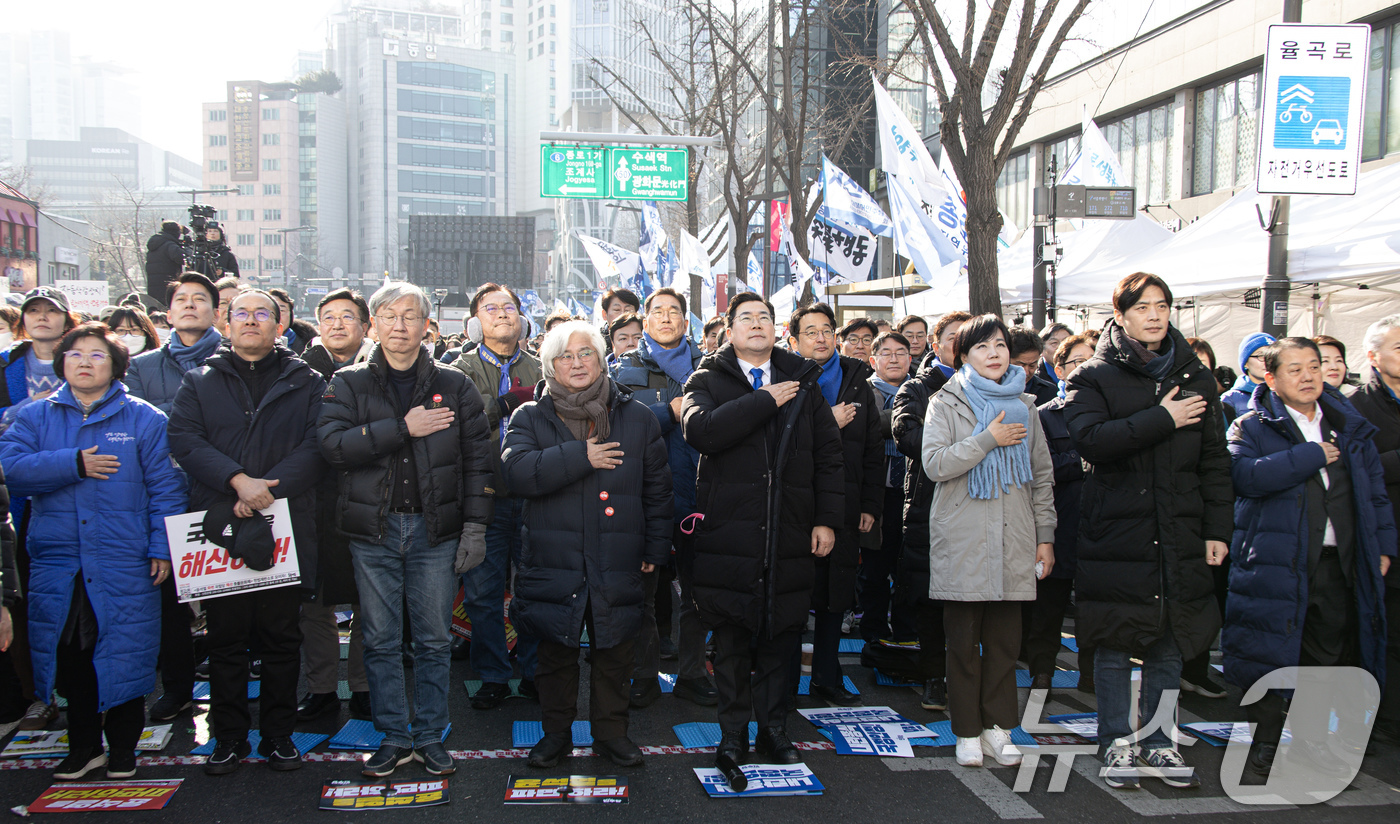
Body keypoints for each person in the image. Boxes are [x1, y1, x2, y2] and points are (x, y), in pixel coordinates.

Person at [1064, 272, 1232, 790]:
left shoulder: (1197, 376)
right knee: (1115, 642)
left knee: (1170, 640)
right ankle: (1115, 741)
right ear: (1121, 316)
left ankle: (1160, 743)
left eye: (1162, 306)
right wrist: (1162, 417)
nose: (1155, 315)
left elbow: (1214, 461)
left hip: (1180, 528)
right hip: (1117, 531)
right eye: (1142, 308)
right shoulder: (1092, 376)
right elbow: (1091, 441)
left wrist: (1216, 529)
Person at [318, 282, 492, 778]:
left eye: (411, 316)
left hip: (435, 532)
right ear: (372, 324)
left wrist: (476, 527)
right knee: (380, 638)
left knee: (435, 639)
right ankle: (394, 735)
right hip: (372, 532)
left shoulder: (454, 384)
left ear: (426, 325)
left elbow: (478, 462)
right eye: (390, 316)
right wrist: (403, 427)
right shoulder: (348, 383)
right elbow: (332, 447)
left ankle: (431, 734)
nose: (400, 325)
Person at [0, 323, 186, 781]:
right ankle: (83, 746)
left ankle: (123, 748)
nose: (85, 362)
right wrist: (73, 463)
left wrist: (162, 546)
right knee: (70, 656)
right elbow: (11, 469)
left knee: (126, 650)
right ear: (62, 362)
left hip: (125, 556)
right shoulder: (34, 416)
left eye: (97, 355)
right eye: (76, 354)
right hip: (58, 560)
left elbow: (167, 489)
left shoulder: (144, 418)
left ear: (117, 365)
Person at [681, 292, 844, 790]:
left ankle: (774, 729)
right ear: (728, 331)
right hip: (729, 533)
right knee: (730, 639)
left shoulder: (805, 382)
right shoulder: (706, 379)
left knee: (782, 636)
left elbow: (828, 458)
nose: (757, 324)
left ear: (778, 330)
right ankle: (732, 734)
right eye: (745, 318)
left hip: (790, 531)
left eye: (765, 318)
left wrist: (826, 519)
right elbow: (700, 431)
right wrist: (762, 400)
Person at [167, 289, 327, 776]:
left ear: (281, 324)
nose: (252, 320)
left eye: (264, 313)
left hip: (284, 522)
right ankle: (229, 737)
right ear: (226, 320)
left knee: (281, 637)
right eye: (243, 313)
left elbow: (318, 445)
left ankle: (279, 735)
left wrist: (265, 491)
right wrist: (238, 482)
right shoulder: (199, 381)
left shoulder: (308, 381)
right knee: (226, 640)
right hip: (219, 524)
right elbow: (184, 440)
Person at [1223, 337, 1395, 780]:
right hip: (1276, 561)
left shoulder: (1348, 425)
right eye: (1294, 368)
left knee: (1327, 656)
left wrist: (1383, 547)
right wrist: (1309, 455)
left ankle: (1310, 742)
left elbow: (1374, 495)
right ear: (1271, 378)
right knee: (1275, 652)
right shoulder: (1251, 425)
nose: (1307, 376)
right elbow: (1245, 477)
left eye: (1313, 366)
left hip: (1339, 560)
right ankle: (1265, 742)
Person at [504, 321, 672, 768]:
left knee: (615, 651)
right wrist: (583, 456)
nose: (576, 363)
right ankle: (555, 734)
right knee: (555, 653)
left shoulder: (635, 417)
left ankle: (611, 734)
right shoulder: (530, 417)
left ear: (602, 359)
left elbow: (657, 490)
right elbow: (516, 473)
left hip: (618, 554)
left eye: (586, 353)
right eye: (564, 356)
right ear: (549, 365)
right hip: (552, 558)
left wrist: (655, 550)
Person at [921, 315, 1055, 769]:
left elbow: (1041, 477)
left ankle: (998, 729)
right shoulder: (946, 401)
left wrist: (1045, 537)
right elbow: (935, 464)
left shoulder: (1026, 404)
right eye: (982, 347)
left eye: (999, 345)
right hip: (963, 536)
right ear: (963, 355)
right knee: (961, 643)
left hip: (1014, 536)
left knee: (1004, 642)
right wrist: (987, 440)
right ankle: (966, 732)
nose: (994, 354)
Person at [123, 273, 225, 724]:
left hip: (221, 491)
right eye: (180, 300)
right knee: (170, 604)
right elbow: (140, 433)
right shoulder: (142, 367)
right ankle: (178, 688)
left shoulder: (235, 359)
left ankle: (228, 691)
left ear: (215, 311)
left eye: (199, 299)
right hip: (163, 493)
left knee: (226, 601)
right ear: (167, 313)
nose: (189, 306)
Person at [611, 288, 714, 708]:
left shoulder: (711, 370)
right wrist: (666, 413)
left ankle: (691, 674)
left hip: (699, 497)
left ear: (686, 322)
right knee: (642, 595)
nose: (667, 318)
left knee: (697, 594)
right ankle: (643, 675)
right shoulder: (622, 369)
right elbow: (614, 429)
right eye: (658, 312)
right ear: (645, 320)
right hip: (644, 500)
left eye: (675, 312)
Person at [450, 283, 542, 709]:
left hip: (534, 496)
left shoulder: (544, 366)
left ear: (522, 318)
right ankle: (492, 674)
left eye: (510, 307)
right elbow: (460, 421)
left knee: (534, 587)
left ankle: (535, 670)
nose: (502, 314)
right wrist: (506, 402)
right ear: (475, 321)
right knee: (483, 592)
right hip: (480, 496)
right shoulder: (457, 370)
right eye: (491, 308)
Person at [787, 303, 882, 705]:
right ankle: (785, 679)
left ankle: (828, 674)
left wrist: (870, 504)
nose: (821, 338)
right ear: (794, 341)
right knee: (792, 595)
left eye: (827, 330)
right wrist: (826, 419)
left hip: (845, 500)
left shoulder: (858, 379)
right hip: (795, 503)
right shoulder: (783, 377)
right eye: (811, 332)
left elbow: (874, 448)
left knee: (835, 593)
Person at [296, 289, 374, 724]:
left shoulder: (383, 369)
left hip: (368, 497)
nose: (338, 324)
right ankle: (321, 687)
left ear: (366, 325)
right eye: (329, 317)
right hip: (312, 498)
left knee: (369, 601)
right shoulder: (299, 372)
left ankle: (363, 686)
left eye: (348, 316)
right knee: (314, 601)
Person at [1025, 333, 1097, 695]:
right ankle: (1042, 671)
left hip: (1102, 525)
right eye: (1077, 361)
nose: (1086, 367)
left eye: (1092, 360)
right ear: (1059, 369)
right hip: (1057, 521)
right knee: (1048, 607)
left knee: (1095, 608)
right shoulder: (1044, 415)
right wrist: (1079, 461)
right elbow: (1038, 468)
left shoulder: (1110, 413)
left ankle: (1092, 674)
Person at [891, 343, 954, 712]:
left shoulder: (998, 389)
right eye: (953, 336)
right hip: (932, 502)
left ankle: (964, 677)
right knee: (932, 597)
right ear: (938, 344)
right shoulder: (917, 388)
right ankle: (934, 676)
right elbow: (910, 438)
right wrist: (977, 442)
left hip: (984, 507)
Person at [1349, 314, 1400, 745]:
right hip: (1383, 533)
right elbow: (1354, 470)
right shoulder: (1356, 406)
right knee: (1386, 632)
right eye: (1399, 347)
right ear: (1373, 356)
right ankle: (1384, 718)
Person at [859, 331, 915, 646]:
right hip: (875, 493)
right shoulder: (864, 391)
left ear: (911, 358)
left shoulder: (924, 390)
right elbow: (868, 426)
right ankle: (874, 632)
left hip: (912, 493)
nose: (893, 359)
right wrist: (907, 422)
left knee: (909, 568)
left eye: (900, 352)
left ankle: (907, 633)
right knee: (874, 570)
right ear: (873, 360)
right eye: (886, 353)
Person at [1221, 332, 1276, 420]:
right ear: (1246, 363)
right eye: (1261, 356)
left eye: (1271, 356)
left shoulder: (1286, 393)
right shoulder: (1230, 399)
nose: (1267, 361)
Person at [1007, 327, 1059, 406]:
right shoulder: (991, 390)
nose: (1026, 372)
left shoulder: (1050, 393)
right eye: (1020, 366)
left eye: (1032, 366)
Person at [144, 220, 184, 308]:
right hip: (168, 285)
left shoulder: (155, 244)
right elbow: (182, 258)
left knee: (156, 308)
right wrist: (187, 249)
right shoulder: (170, 245)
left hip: (153, 286)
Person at [269, 289, 315, 355]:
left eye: (281, 310)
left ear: (291, 315)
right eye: (270, 311)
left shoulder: (311, 348)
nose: (277, 315)